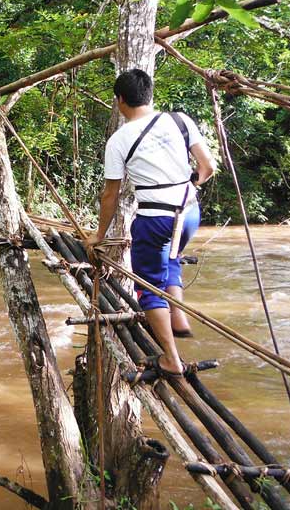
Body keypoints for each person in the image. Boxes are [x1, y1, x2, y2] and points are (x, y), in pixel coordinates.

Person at [87, 68, 216, 378]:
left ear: (120, 100)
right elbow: (208, 166)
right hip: (189, 213)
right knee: (171, 257)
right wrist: (185, 192)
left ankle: (171, 358)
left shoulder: (119, 140)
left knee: (149, 289)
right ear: (149, 94)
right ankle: (178, 318)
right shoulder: (180, 120)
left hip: (154, 220)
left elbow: (110, 195)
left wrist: (98, 235)